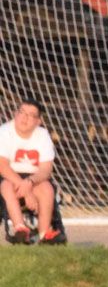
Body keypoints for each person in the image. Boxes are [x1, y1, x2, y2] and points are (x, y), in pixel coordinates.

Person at [0, 98, 61, 244]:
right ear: (15, 114)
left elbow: (46, 169)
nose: (24, 118)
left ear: (38, 121)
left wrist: (30, 182)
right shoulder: (4, 131)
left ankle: (44, 233)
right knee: (6, 186)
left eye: (30, 115)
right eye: (21, 112)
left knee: (47, 188)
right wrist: (26, 191)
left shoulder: (43, 135)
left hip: (33, 178)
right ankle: (21, 228)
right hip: (10, 176)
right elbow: (2, 166)